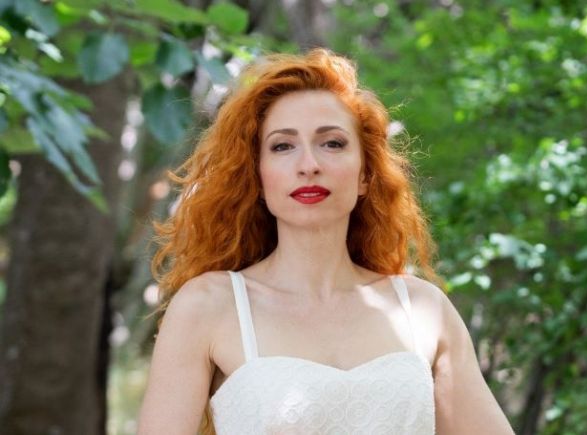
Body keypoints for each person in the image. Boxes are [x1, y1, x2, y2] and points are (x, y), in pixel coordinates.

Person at [137, 48, 515, 435]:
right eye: (282, 146)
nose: (309, 165)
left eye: (332, 143)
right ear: (258, 177)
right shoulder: (208, 305)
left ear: (365, 175)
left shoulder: (423, 310)